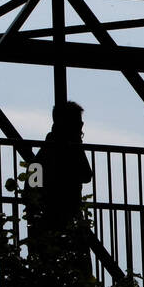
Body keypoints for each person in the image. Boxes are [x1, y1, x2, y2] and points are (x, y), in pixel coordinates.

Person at [26, 101, 94, 272]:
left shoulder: (43, 154)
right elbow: (86, 175)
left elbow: (30, 188)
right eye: (78, 123)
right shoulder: (65, 150)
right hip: (65, 221)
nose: (81, 127)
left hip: (48, 224)